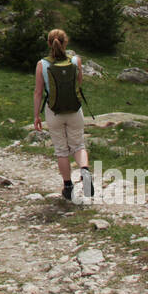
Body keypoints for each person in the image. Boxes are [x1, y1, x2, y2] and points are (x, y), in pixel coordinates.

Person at [33, 28, 92, 201]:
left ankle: (68, 186)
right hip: (75, 110)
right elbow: (78, 84)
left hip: (54, 111)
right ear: (66, 42)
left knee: (61, 150)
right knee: (78, 145)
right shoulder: (76, 61)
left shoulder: (41, 64)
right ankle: (85, 170)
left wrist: (36, 116)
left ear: (49, 44)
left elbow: (38, 92)